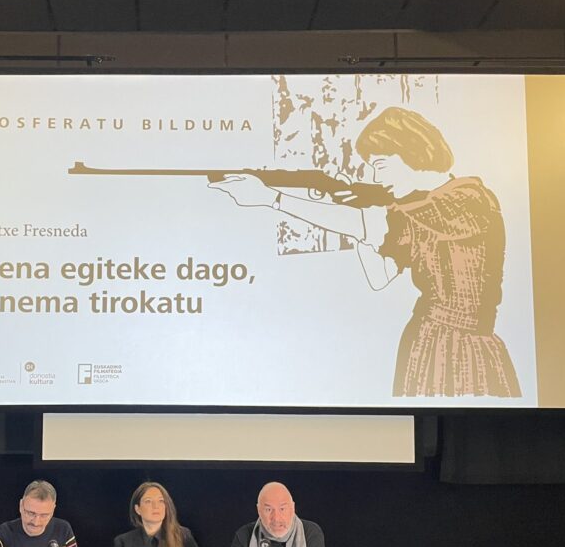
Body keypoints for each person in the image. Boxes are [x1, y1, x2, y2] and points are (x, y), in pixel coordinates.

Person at [209, 105, 520, 398]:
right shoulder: (417, 208)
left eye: (380, 165)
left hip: (463, 346)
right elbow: (379, 276)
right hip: (426, 341)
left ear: (412, 154)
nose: (375, 178)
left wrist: (273, 199)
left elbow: (371, 226)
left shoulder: (466, 199)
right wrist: (360, 211)